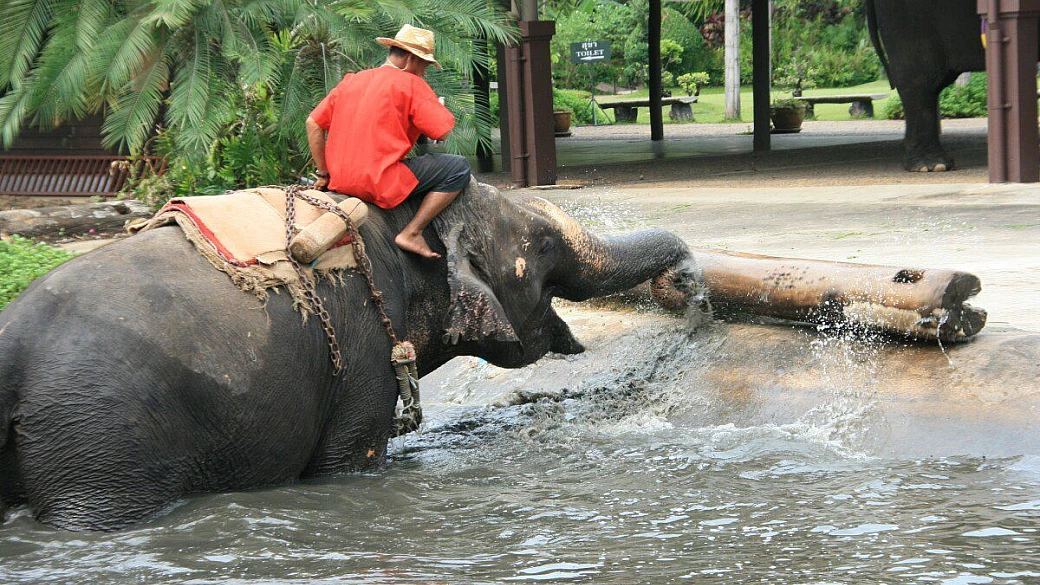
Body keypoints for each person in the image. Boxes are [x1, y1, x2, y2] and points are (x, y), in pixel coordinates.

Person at [306, 24, 471, 259]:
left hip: (339, 181)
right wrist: (436, 105)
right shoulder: (412, 83)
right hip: (378, 181)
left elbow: (313, 123)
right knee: (458, 167)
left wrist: (323, 173)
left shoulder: (351, 80)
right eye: (424, 65)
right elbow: (442, 132)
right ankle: (412, 232)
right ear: (411, 60)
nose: (424, 72)